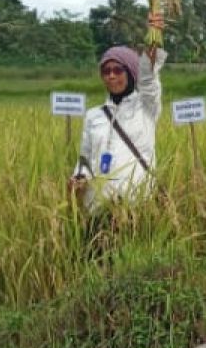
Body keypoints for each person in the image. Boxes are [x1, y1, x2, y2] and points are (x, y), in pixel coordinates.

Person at [69, 13, 166, 213]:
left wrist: (154, 38)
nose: (111, 76)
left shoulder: (147, 107)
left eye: (118, 70)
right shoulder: (94, 115)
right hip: (98, 206)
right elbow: (85, 157)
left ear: (131, 73)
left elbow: (148, 80)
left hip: (137, 206)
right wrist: (79, 177)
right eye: (106, 71)